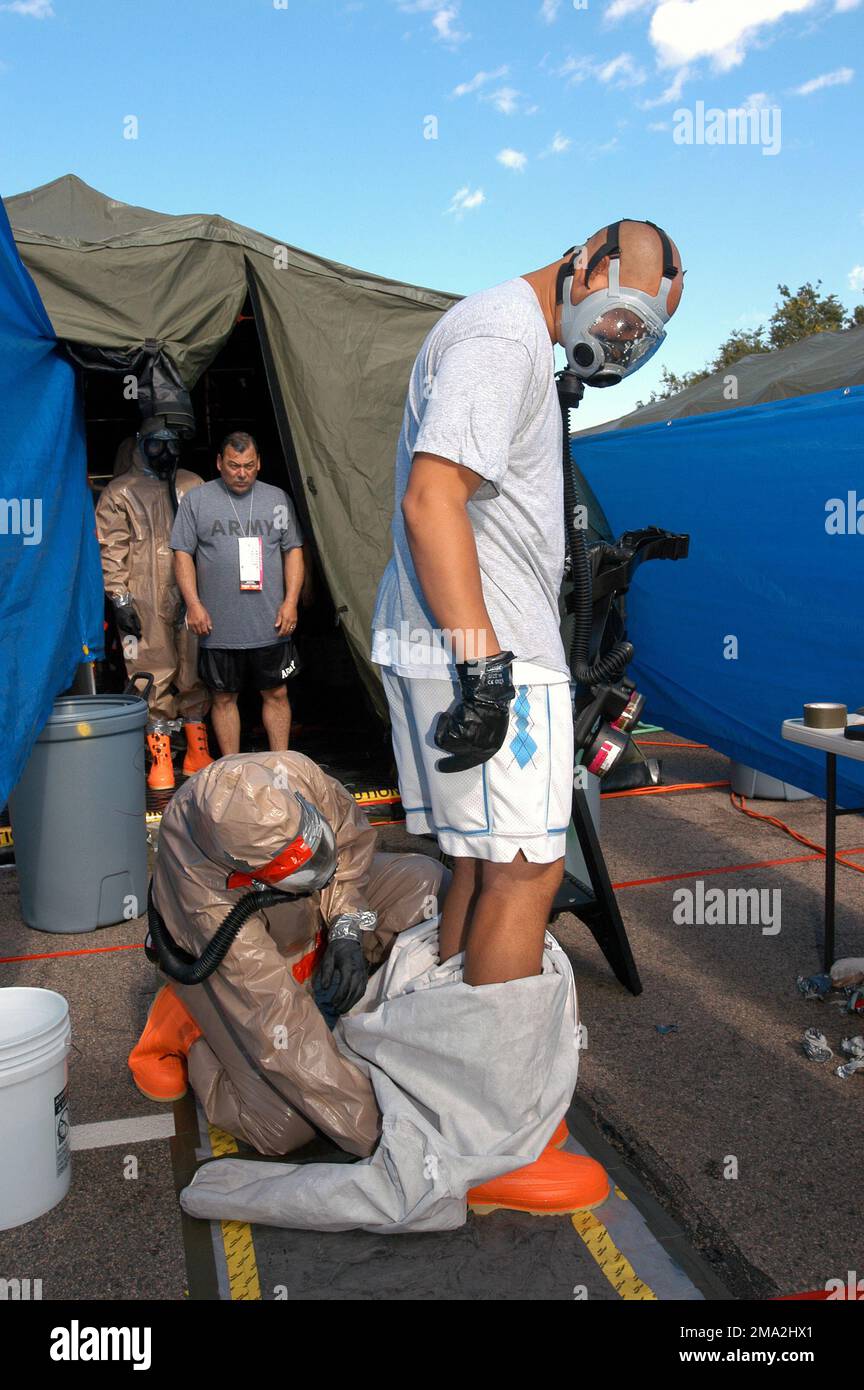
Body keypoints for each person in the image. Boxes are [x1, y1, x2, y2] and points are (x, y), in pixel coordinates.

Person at [371, 218, 684, 991]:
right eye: (623, 318)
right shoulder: (505, 339)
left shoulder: (507, 334)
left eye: (644, 337)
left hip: (468, 642)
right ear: (584, 265)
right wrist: (485, 669)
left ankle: (446, 1060)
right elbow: (431, 498)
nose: (620, 344)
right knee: (529, 877)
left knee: (482, 868)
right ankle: (490, 1099)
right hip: (489, 650)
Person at [128, 751, 448, 1156]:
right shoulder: (206, 900)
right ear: (248, 871)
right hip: (237, 968)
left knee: (424, 883)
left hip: (294, 920)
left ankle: (334, 996)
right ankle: (188, 1026)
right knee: (283, 1128)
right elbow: (279, 1018)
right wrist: (393, 1141)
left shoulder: (291, 774)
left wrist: (347, 930)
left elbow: (348, 847)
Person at [95, 416, 213, 790]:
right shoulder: (121, 491)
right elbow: (111, 548)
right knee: (148, 670)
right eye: (156, 444)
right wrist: (120, 598)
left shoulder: (192, 485)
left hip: (192, 591)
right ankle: (160, 757)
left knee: (193, 669)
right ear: (139, 444)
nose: (165, 452)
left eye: (172, 443)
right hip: (143, 594)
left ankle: (197, 750)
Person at [171, 432, 304, 756]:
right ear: (219, 463)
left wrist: (291, 603)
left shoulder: (276, 499)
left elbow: (294, 550)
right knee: (223, 697)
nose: (241, 473)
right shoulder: (197, 500)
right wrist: (193, 605)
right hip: (217, 624)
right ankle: (231, 769)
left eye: (248, 465)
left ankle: (280, 763)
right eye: (233, 465)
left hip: (270, 621)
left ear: (258, 463)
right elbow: (181, 553)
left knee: (276, 693)